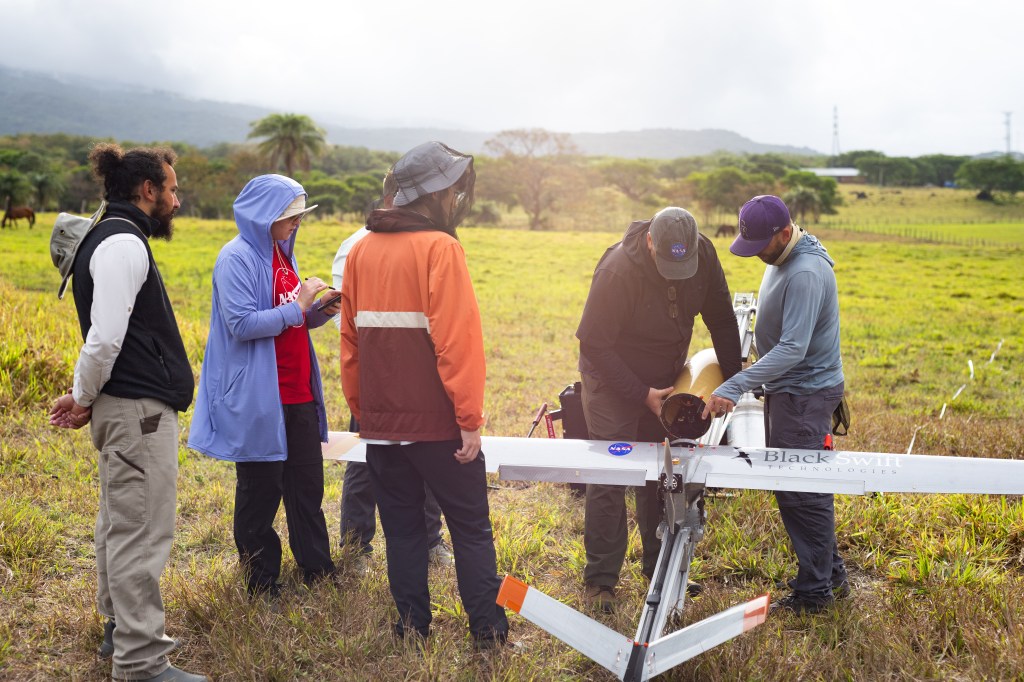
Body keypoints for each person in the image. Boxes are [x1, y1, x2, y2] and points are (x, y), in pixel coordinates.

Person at [340, 141, 509, 648]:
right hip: (440, 427)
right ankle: (488, 631)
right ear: (432, 195)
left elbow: (350, 346)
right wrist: (470, 420)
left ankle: (411, 627)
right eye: (450, 188)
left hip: (383, 427)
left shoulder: (360, 250)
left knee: (403, 531)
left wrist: (365, 413)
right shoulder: (442, 248)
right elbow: (457, 343)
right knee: (471, 529)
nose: (456, 196)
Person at [48, 144, 206, 682]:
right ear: (148, 191)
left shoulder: (112, 236)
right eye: (173, 189)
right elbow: (105, 339)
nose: (177, 201)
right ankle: (140, 661)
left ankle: (120, 630)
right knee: (140, 531)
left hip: (127, 410)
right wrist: (84, 394)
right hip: (138, 412)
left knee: (121, 521)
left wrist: (85, 395)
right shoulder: (123, 244)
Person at [576, 206, 741, 612]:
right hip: (612, 380)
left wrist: (734, 383)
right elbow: (594, 344)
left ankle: (659, 570)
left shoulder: (703, 255)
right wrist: (639, 393)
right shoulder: (617, 270)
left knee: (662, 476)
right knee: (611, 475)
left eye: (680, 267)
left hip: (665, 383)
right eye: (667, 264)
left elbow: (721, 319)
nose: (674, 274)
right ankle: (600, 581)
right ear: (650, 241)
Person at [188, 174, 336, 598]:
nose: (297, 224)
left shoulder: (281, 253)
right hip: (260, 397)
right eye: (290, 216)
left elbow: (293, 319)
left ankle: (317, 570)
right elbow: (242, 324)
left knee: (306, 487)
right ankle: (261, 581)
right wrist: (299, 304)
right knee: (260, 493)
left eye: (300, 216)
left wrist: (320, 310)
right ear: (263, 215)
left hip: (298, 392)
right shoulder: (235, 258)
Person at [702, 194, 848, 615]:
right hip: (790, 392)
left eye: (761, 246)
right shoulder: (787, 255)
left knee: (803, 493)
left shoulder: (804, 271)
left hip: (804, 394)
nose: (757, 256)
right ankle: (829, 575)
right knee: (797, 487)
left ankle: (815, 593)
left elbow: (793, 349)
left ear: (785, 233)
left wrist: (736, 385)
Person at [331, 170, 452, 572]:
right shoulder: (357, 246)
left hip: (422, 377)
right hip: (376, 376)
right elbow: (346, 320)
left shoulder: (433, 241)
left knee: (430, 463)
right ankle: (356, 546)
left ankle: (431, 541)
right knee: (367, 462)